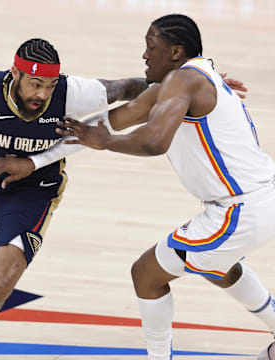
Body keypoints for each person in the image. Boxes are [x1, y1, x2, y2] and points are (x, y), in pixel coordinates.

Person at [54, 14, 275, 360]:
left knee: (146, 274)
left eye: (150, 46)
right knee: (218, 267)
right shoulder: (189, 80)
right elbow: (116, 118)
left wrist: (108, 143)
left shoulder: (183, 81)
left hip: (240, 210)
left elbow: (154, 141)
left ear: (175, 52)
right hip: (260, 200)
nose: (144, 55)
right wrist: (48, 144)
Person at [0, 38, 151, 359]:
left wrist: (194, 81)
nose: (42, 94)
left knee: (0, 284)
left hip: (34, 189)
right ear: (15, 74)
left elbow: (128, 87)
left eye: (50, 85)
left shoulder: (74, 93)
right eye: (35, 84)